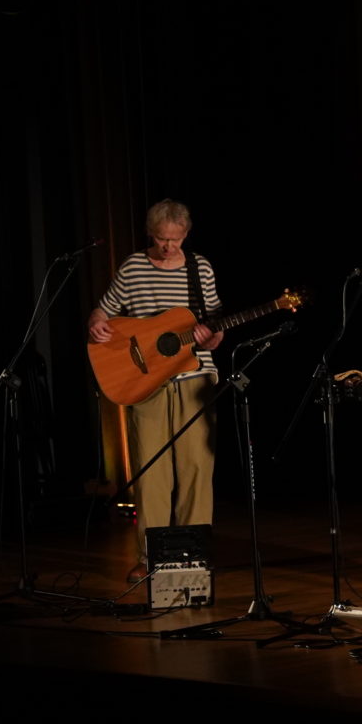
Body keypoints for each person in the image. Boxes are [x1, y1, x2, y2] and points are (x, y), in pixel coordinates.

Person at [87, 199, 224, 576]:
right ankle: (152, 559)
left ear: (186, 235)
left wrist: (212, 336)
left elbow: (215, 326)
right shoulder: (133, 266)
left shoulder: (200, 268)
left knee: (196, 468)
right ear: (151, 234)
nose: (168, 246)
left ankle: (193, 554)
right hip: (145, 381)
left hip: (194, 378)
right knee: (151, 472)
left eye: (175, 240)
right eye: (162, 239)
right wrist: (96, 322)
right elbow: (104, 309)